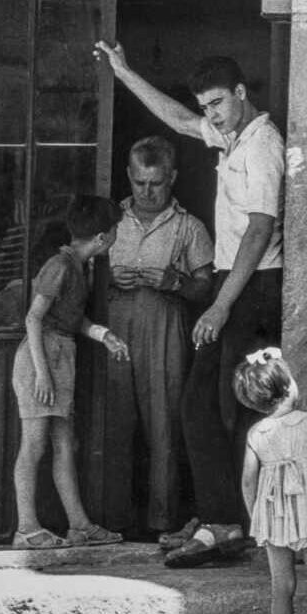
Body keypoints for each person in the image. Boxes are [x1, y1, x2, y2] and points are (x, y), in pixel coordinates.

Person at [94, 43, 286, 567]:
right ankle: (220, 519)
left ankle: (226, 523)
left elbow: (260, 228)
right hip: (236, 282)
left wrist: (221, 305)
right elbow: (176, 117)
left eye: (219, 103)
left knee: (216, 408)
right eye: (207, 106)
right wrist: (124, 71)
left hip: (252, 284)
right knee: (202, 407)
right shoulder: (231, 135)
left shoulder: (263, 143)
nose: (211, 114)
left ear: (241, 94)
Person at [106, 136, 214, 539]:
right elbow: (80, 268)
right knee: (115, 421)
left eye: (156, 183)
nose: (147, 192)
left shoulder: (189, 226)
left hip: (166, 324)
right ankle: (113, 519)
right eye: (139, 183)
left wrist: (176, 281)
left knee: (163, 423)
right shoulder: (110, 220)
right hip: (115, 325)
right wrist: (106, 278)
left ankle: (161, 522)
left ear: (172, 178)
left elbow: (206, 286)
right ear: (129, 177)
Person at [10, 195, 129, 549]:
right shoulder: (60, 266)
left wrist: (104, 336)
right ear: (103, 238)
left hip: (61, 354)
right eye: (115, 232)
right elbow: (33, 317)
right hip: (41, 356)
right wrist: (43, 374)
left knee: (64, 443)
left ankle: (79, 525)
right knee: (33, 445)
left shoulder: (80, 267)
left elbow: (72, 319)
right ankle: (26, 530)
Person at [235, 348, 307, 614]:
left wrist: (257, 516)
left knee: (281, 586)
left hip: (273, 514)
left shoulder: (257, 433)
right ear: (286, 386)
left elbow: (247, 481)